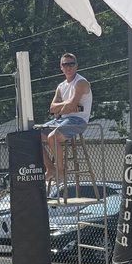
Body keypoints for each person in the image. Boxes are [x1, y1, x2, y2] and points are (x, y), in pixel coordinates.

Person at [41, 53, 92, 184]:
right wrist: (66, 105)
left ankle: (61, 172)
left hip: (78, 121)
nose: (68, 67)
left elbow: (71, 106)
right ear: (61, 67)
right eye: (65, 64)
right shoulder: (61, 86)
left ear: (76, 66)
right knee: (32, 136)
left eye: (71, 64)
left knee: (52, 137)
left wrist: (63, 108)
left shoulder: (81, 82)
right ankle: (50, 169)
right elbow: (52, 108)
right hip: (61, 121)